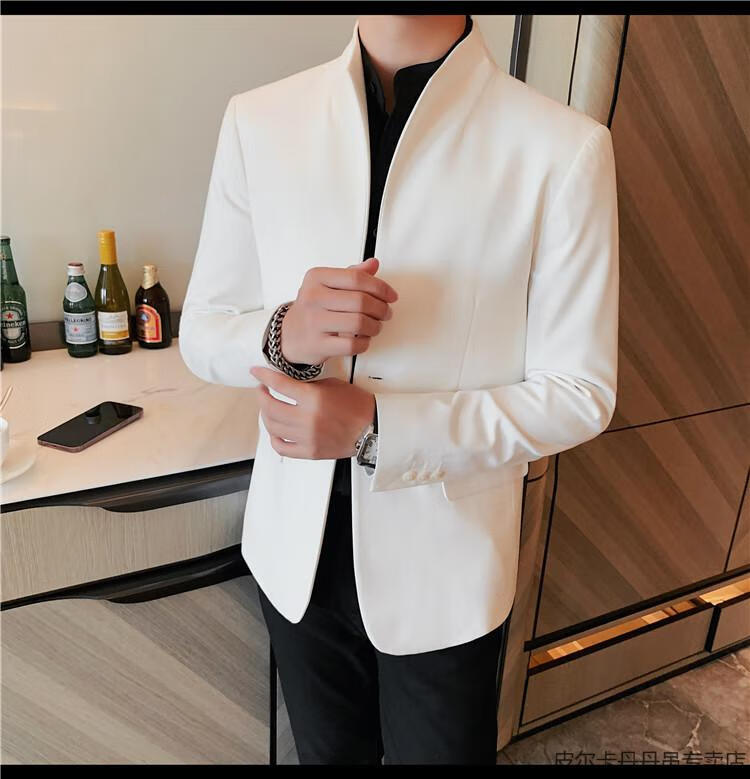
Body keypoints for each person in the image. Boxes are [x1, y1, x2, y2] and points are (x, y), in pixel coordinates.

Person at [179, 13, 619, 765]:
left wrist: (379, 428)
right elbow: (204, 331)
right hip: (295, 558)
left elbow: (580, 391)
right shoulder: (260, 120)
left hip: (447, 571)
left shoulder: (561, 148)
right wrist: (286, 332)